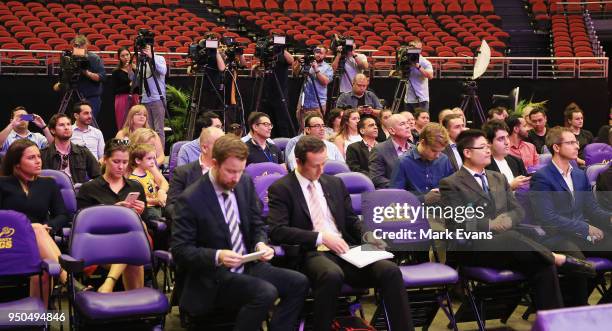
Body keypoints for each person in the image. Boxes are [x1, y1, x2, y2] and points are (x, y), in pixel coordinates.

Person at [267, 136, 415, 331]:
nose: (321, 170)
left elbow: (351, 220)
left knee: (390, 270)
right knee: (331, 274)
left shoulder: (334, 183)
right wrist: (321, 237)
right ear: (299, 162)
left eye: (324, 164)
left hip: (347, 249)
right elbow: (277, 231)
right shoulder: (282, 188)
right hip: (311, 252)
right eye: (315, 166)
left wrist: (368, 236)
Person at [440, 129, 592, 312]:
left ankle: (553, 319)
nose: (488, 150)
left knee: (543, 266)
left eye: (488, 146)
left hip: (508, 246)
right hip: (473, 246)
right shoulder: (451, 183)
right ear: (467, 152)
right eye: (483, 147)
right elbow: (457, 223)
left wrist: (507, 219)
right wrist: (490, 224)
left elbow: (517, 211)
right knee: (512, 238)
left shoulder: (498, 178)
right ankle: (554, 256)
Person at [171, 135, 309, 331]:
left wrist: (261, 243)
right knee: (264, 293)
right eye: (230, 171)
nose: (235, 177)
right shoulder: (191, 199)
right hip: (213, 275)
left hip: (247, 263)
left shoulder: (243, 183)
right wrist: (218, 256)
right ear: (215, 164)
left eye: (240, 171)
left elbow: (257, 224)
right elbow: (180, 251)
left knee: (299, 282)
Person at [530, 126, 612, 305]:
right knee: (579, 264)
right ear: (556, 147)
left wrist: (609, 218)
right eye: (571, 142)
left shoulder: (579, 175)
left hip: (581, 234)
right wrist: (584, 228)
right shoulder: (542, 177)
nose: (577, 146)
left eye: (576, 142)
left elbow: (592, 209)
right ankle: (577, 311)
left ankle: (603, 309)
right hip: (555, 236)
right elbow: (547, 217)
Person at [0, 139, 69, 305]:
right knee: (35, 228)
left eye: (39, 156)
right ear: (16, 163)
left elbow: (63, 215)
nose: (38, 160)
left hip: (41, 240)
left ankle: (39, 321)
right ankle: (69, 280)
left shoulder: (49, 184)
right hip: (9, 240)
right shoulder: (2, 184)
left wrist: (50, 227)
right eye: (31, 158)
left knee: (44, 271)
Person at [76, 139, 147, 293]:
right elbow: (81, 225)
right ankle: (137, 310)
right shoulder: (89, 188)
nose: (121, 166)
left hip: (134, 239)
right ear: (105, 159)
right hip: (101, 243)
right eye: (116, 161)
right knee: (133, 257)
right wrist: (112, 212)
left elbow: (146, 221)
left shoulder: (135, 186)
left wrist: (140, 213)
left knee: (137, 230)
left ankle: (110, 283)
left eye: (125, 162)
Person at [167, 127, 224, 218]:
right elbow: (171, 207)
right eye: (220, 145)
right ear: (205, 148)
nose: (225, 148)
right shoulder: (183, 173)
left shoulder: (233, 171)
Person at [391, 123, 453, 204]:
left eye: (440, 151)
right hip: (414, 212)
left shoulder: (444, 159)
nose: (438, 156)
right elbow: (395, 198)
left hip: (441, 211)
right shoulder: (403, 162)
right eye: (434, 151)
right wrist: (423, 199)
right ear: (423, 143)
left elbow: (451, 190)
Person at [40, 114, 100, 184]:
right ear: (53, 130)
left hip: (77, 192)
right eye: (61, 125)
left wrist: (87, 187)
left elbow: (98, 176)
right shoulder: (43, 154)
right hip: (52, 192)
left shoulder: (83, 152)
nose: (66, 127)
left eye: (68, 124)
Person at [369, 114, 414, 189]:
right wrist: (401, 187)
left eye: (407, 123)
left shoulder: (414, 148)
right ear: (392, 130)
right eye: (402, 124)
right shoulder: (379, 149)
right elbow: (377, 178)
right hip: (393, 194)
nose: (408, 126)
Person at [483, 120, 530, 190]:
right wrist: (510, 187)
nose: (507, 142)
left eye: (507, 137)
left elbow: (526, 185)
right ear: (489, 143)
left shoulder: (516, 161)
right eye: (501, 139)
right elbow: (488, 194)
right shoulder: (484, 165)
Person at [261, 45, 295, 138]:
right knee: (267, 119)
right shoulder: (267, 53)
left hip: (280, 92)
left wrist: (282, 49)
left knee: (282, 121)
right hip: (268, 91)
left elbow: (291, 60)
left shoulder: (283, 54)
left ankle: (284, 143)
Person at [68, 35, 105, 118]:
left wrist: (86, 72)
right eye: (76, 46)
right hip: (74, 97)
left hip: (91, 98)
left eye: (81, 47)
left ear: (86, 46)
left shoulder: (94, 58)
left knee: (89, 123)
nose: (78, 49)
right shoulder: (69, 59)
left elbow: (102, 77)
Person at [129, 144, 169, 222]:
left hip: (157, 204)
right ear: (138, 160)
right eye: (149, 158)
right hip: (148, 207)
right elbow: (140, 200)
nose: (153, 162)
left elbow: (160, 184)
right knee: (155, 218)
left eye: (154, 158)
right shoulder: (134, 179)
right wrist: (156, 200)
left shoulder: (148, 172)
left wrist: (162, 196)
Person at [138, 44, 167, 148]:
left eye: (148, 48)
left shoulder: (159, 58)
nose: (145, 50)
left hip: (157, 98)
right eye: (144, 48)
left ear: (153, 48)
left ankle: (160, 155)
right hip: (145, 99)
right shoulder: (141, 62)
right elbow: (138, 80)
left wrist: (151, 57)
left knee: (159, 129)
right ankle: (148, 153)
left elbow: (163, 71)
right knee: (147, 130)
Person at [299, 46, 333, 116]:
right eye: (316, 52)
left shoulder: (328, 67)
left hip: (318, 103)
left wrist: (316, 69)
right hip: (304, 101)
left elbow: (325, 82)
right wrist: (298, 62)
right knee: (302, 125)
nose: (318, 55)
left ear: (325, 55)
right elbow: (295, 73)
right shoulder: (307, 64)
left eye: (320, 53)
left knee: (317, 124)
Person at [112, 46, 139, 130]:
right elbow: (114, 90)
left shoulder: (136, 69)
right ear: (119, 58)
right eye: (122, 56)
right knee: (123, 123)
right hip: (122, 99)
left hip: (135, 97)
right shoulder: (116, 72)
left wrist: (136, 70)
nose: (126, 57)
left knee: (136, 123)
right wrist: (129, 85)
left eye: (127, 55)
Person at [403, 38, 434, 112]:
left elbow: (430, 76)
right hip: (408, 99)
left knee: (422, 121)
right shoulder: (405, 61)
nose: (415, 51)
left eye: (418, 49)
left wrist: (418, 66)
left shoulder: (425, 62)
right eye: (413, 48)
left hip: (421, 99)